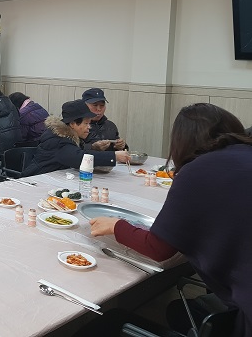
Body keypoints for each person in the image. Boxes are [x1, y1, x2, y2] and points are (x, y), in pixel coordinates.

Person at [89, 103, 252, 336]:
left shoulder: (200, 170)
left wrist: (116, 225)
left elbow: (158, 248)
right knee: (178, 312)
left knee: (104, 324)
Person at [22, 99, 130, 176]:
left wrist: (94, 147)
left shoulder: (69, 136)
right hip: (35, 181)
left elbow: (74, 152)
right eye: (86, 123)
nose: (89, 127)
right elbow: (79, 157)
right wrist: (114, 156)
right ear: (73, 124)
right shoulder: (58, 140)